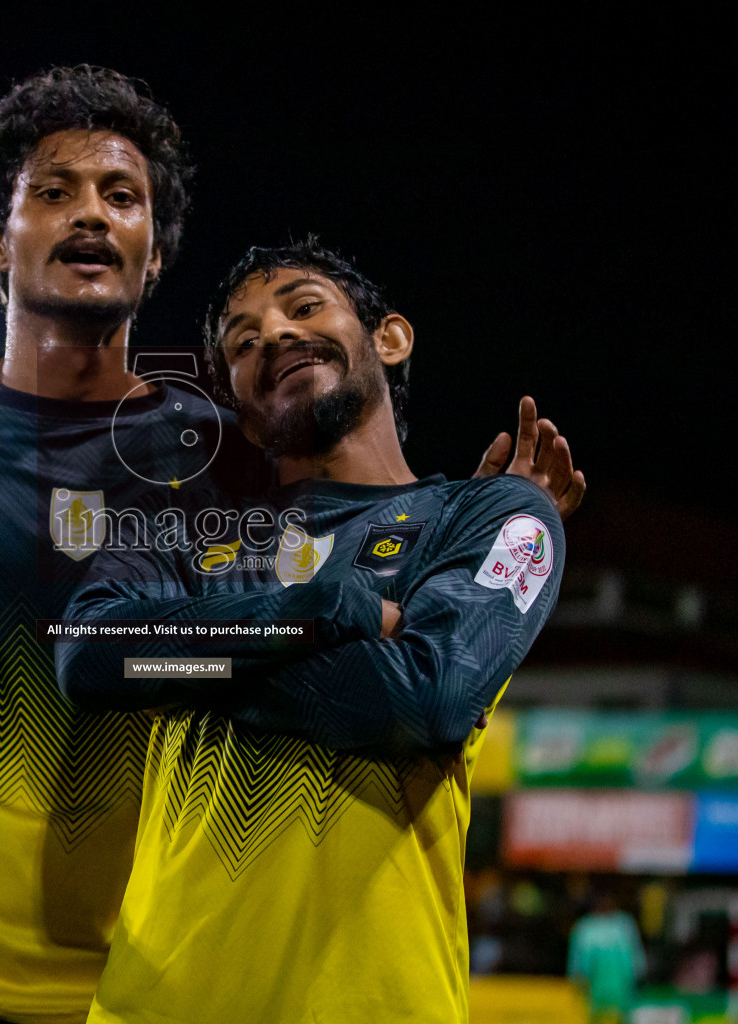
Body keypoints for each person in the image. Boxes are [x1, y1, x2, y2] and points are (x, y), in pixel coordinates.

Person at [0, 66, 577, 1024]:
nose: (91, 214)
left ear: (153, 252)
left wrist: (504, 520)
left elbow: (374, 543)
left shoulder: (219, 461)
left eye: (121, 197)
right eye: (54, 192)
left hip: (140, 979)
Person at [56, 238, 577, 1023]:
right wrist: (321, 613)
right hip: (152, 1005)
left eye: (304, 307)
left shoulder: (493, 515)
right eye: (244, 342)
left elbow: (421, 701)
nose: (277, 337)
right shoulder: (183, 528)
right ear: (236, 397)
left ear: (389, 339)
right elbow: (92, 657)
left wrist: (186, 658)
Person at [568, 890, 647, 1023]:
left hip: (621, 990)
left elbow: (636, 959)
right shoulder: (585, 927)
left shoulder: (624, 924)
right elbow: (578, 965)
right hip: (595, 991)